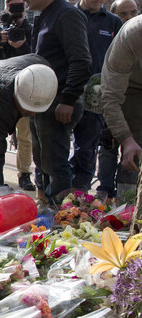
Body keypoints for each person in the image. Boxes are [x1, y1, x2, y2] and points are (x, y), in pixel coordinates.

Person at [26, 0, 91, 203]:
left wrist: (68, 99)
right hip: (42, 102)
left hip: (59, 101)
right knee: (43, 161)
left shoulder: (66, 15)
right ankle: (49, 207)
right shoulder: (45, 16)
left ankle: (63, 217)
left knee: (55, 164)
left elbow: (81, 60)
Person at [0, 0, 36, 190]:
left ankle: (24, 174)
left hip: (23, 88)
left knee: (25, 135)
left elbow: (36, 58)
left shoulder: (32, 30)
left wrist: (21, 46)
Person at [69, 0, 121, 191]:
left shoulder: (113, 22)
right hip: (66, 92)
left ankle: (78, 197)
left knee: (87, 149)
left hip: (96, 97)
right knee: (55, 148)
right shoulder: (67, 15)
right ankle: (52, 196)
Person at [100, 16, 142, 206]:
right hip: (132, 89)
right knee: (135, 152)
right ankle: (129, 208)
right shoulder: (133, 34)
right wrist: (126, 138)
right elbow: (110, 96)